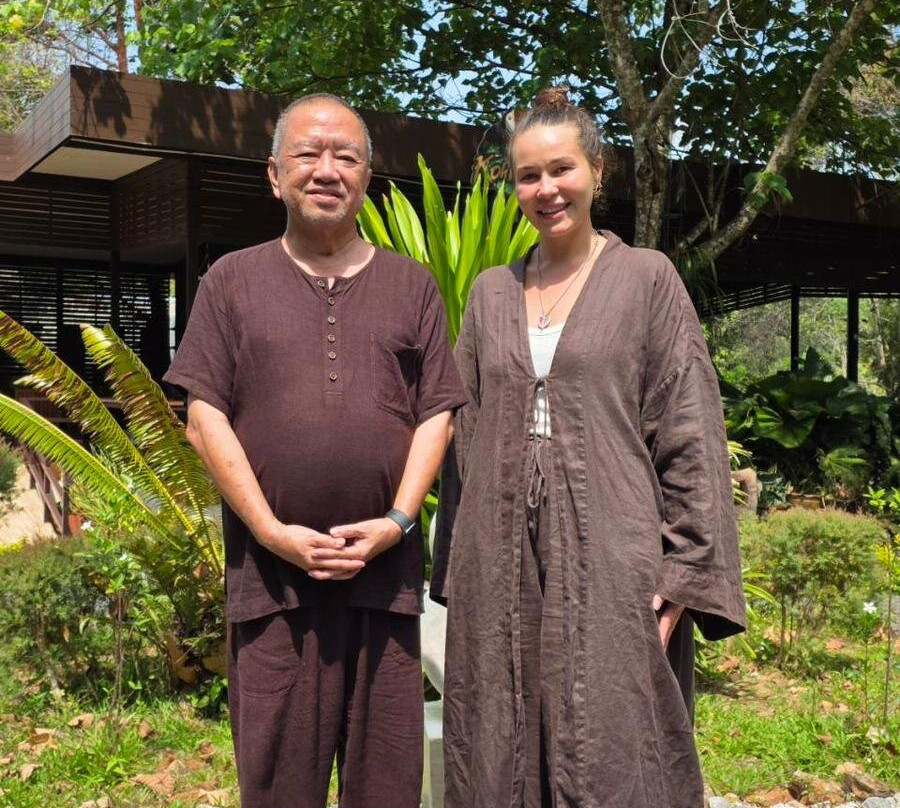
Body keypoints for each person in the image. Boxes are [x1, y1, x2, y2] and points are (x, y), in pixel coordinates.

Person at [431, 87, 746, 808]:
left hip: (614, 550)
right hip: (500, 551)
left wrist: (688, 566)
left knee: (610, 732)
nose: (546, 189)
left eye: (561, 169)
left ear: (598, 170)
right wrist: (459, 565)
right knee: (499, 733)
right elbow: (464, 436)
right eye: (528, 175)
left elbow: (689, 426)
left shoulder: (646, 280)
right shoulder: (488, 293)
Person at [163, 93, 467, 808]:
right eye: (308, 153)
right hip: (271, 590)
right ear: (275, 174)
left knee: (385, 787)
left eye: (346, 156)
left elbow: (437, 413)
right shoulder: (231, 282)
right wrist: (271, 533)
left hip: (382, 584)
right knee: (277, 786)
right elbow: (203, 415)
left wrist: (396, 521)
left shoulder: (411, 286)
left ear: (366, 177)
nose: (326, 169)